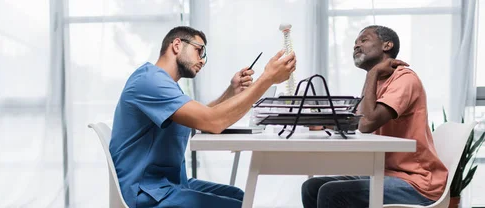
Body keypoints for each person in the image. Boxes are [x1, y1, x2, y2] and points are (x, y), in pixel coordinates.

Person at [109, 26, 297, 207]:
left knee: (241, 197)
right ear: (176, 45)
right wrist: (267, 79)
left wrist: (231, 91)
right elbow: (212, 121)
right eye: (200, 51)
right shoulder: (151, 82)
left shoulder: (164, 84)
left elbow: (201, 117)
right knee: (241, 205)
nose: (202, 60)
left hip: (166, 184)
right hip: (145, 193)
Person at [301, 25, 447, 208]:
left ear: (387, 45)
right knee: (312, 186)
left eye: (364, 40)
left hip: (416, 183)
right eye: (355, 43)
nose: (356, 46)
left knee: (331, 192)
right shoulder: (377, 83)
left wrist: (372, 72)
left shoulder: (405, 79)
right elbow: (356, 121)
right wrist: (322, 124)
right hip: (385, 173)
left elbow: (367, 123)